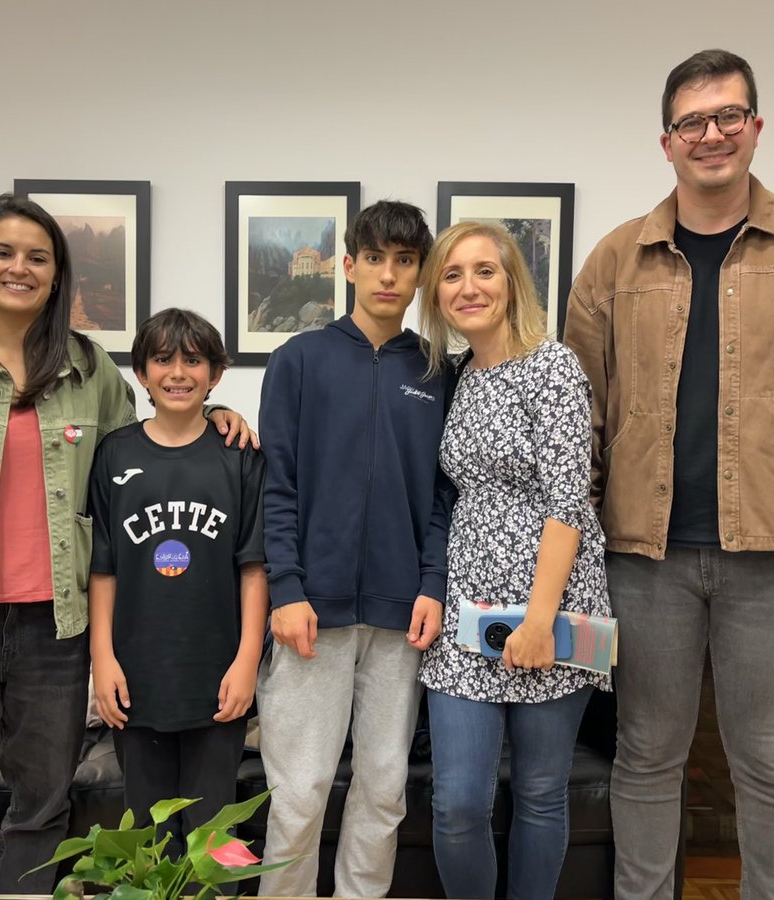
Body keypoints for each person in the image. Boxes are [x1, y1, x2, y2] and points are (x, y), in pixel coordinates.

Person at [0, 194, 252, 895]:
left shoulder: (90, 372)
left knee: (42, 807)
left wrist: (212, 411)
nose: (19, 268)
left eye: (38, 257)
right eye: (4, 252)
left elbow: (148, 448)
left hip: (54, 631)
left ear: (58, 276)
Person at [562, 49, 774, 900]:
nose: (711, 135)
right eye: (691, 122)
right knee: (645, 756)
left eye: (727, 117)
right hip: (645, 557)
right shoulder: (612, 262)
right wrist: (578, 554)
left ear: (755, 127)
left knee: (773, 763)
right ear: (665, 141)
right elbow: (579, 422)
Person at [256, 199, 451, 898]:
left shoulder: (437, 372)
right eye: (376, 259)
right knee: (301, 791)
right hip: (313, 613)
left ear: (421, 273)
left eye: (405, 262)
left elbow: (441, 497)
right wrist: (286, 590)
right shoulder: (298, 361)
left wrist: (431, 583)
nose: (389, 276)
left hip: (403, 618)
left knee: (384, 789)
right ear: (349, 266)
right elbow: (276, 486)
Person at [416, 221, 610, 900]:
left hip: (550, 610)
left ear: (512, 282)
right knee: (458, 803)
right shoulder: (458, 375)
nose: (468, 287)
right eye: (451, 274)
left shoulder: (551, 365)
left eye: (485, 271)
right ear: (436, 293)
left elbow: (570, 503)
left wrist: (538, 618)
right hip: (468, 612)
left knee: (538, 793)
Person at [86, 308, 267, 853]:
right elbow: (102, 568)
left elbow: (253, 567)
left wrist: (247, 662)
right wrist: (103, 659)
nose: (178, 372)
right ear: (141, 373)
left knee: (215, 836)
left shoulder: (239, 454)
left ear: (215, 373)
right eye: (163, 360)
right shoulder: (114, 453)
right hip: (136, 675)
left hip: (217, 675)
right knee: (147, 833)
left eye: (194, 360)